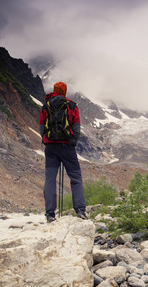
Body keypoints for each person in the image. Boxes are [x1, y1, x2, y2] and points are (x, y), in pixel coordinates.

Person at [39, 82, 87, 222]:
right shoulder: (72, 106)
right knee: (75, 178)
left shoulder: (45, 106)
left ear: (54, 90)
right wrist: (72, 142)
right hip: (67, 147)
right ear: (64, 91)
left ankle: (49, 214)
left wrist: (46, 140)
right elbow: (76, 128)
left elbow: (42, 128)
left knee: (50, 180)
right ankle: (80, 211)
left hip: (51, 148)